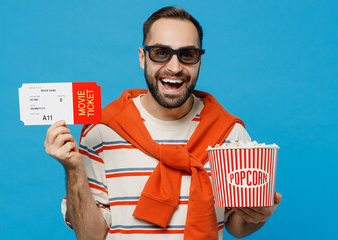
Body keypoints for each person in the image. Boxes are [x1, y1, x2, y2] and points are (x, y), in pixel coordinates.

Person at [45, 6, 282, 240]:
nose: (174, 67)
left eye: (187, 55)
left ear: (200, 60)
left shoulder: (230, 135)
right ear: (142, 57)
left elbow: (237, 228)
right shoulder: (102, 131)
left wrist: (258, 215)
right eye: (161, 53)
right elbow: (90, 236)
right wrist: (73, 168)